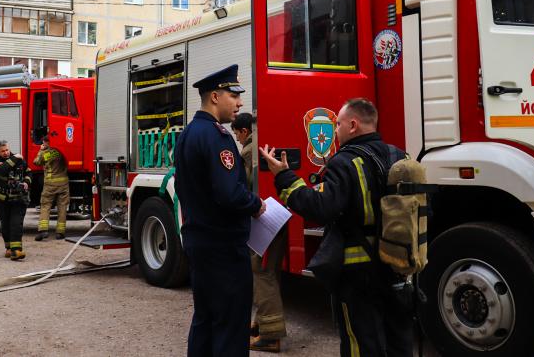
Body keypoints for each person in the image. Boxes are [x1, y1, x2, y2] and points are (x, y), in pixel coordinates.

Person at [259, 98, 412, 357]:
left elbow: (319, 207)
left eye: (338, 124)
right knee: (397, 341)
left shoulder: (345, 162)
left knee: (360, 344)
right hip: (397, 265)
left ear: (352, 125)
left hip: (358, 274)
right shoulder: (400, 156)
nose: (336, 130)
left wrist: (283, 176)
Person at [174, 64, 266, 357]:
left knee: (205, 321)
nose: (239, 102)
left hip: (200, 244)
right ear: (215, 96)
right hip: (224, 249)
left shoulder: (188, 134)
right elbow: (228, 193)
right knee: (230, 326)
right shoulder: (218, 137)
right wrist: (256, 204)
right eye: (234, 94)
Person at [232, 112, 287, 353]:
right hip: (277, 218)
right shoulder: (260, 146)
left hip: (264, 221)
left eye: (236, 133)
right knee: (269, 272)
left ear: (244, 131)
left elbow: (243, 190)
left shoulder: (246, 154)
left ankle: (270, 335)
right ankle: (261, 324)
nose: (236, 138)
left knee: (261, 273)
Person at [0, 140, 31, 261]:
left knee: (16, 223)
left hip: (18, 198)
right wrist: (15, 157)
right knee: (5, 224)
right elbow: (3, 169)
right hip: (2, 199)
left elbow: (28, 171)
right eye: (2, 151)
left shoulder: (19, 160)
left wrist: (26, 182)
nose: (6, 153)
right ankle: (8, 248)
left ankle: (16, 250)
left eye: (7, 150)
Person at [34, 135, 70, 241]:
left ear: (46, 142)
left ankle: (43, 231)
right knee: (62, 208)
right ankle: (60, 232)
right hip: (63, 184)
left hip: (50, 185)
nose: (43, 144)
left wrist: (41, 150)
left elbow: (36, 162)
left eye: (44, 142)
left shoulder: (46, 153)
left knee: (45, 206)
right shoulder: (61, 151)